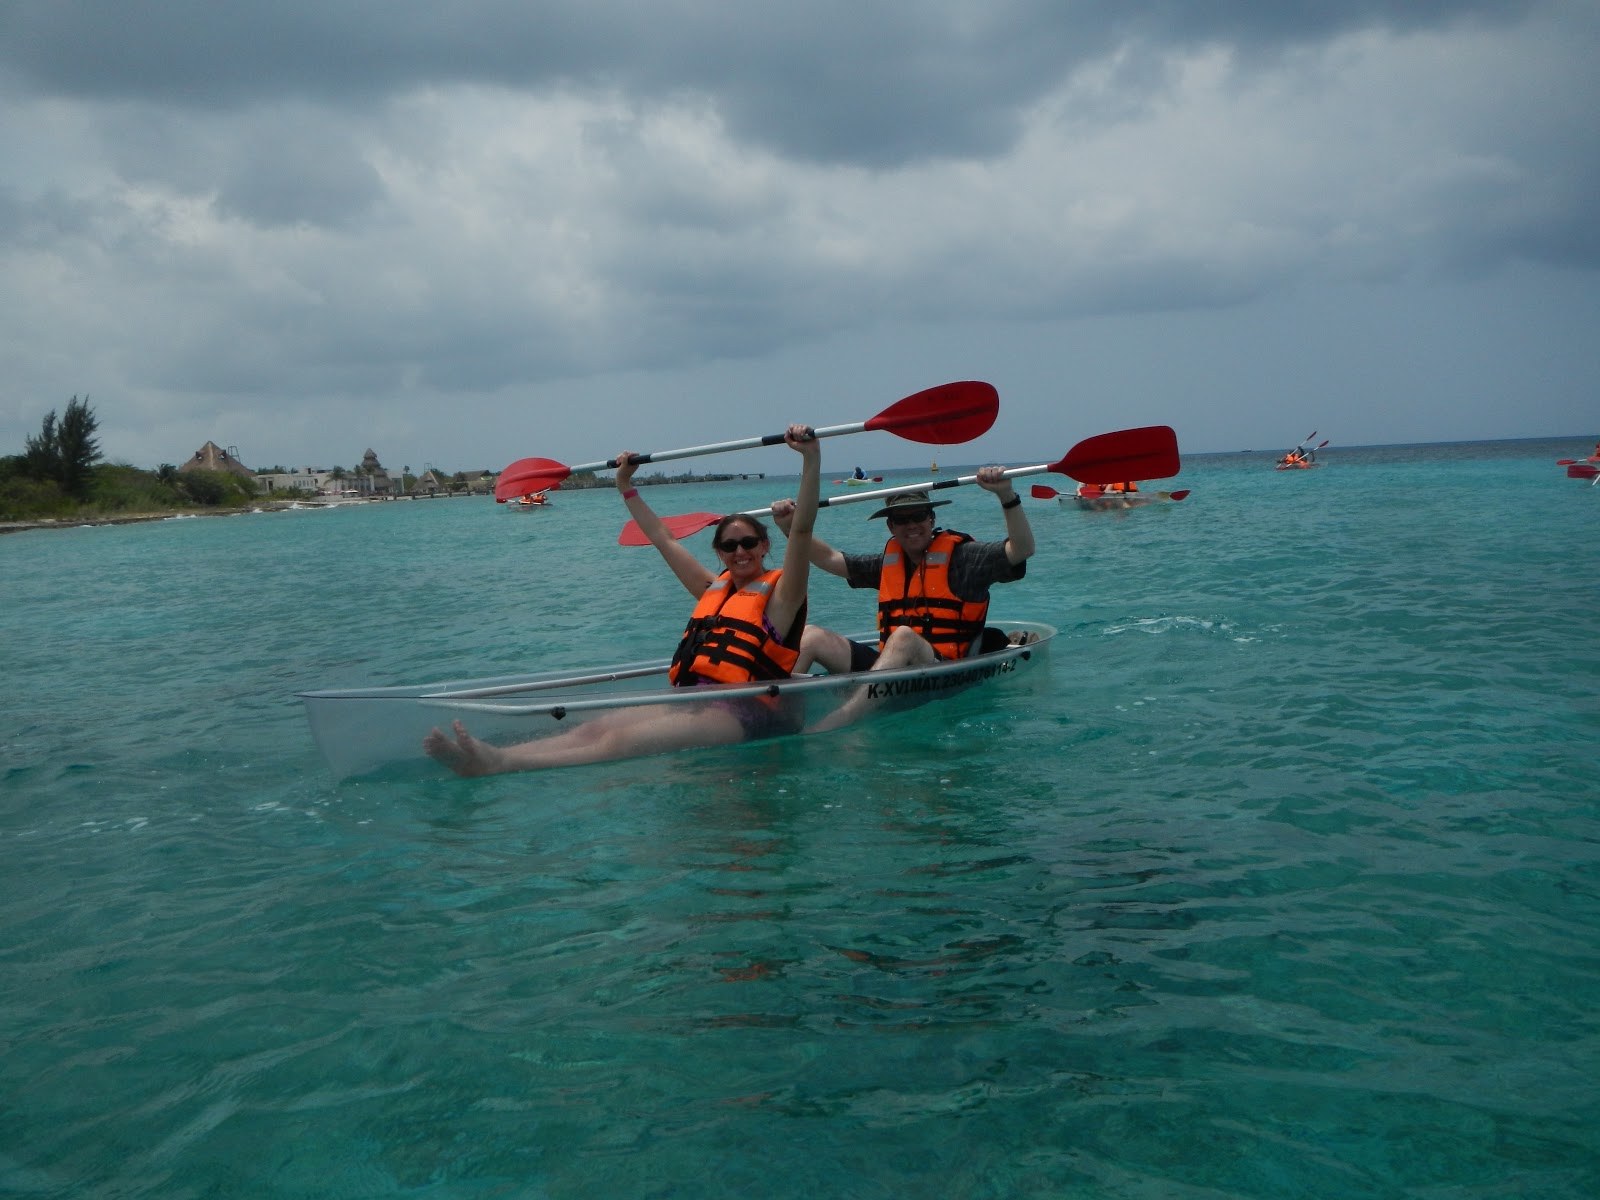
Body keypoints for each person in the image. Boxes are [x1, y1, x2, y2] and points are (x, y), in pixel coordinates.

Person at [423, 424, 822, 776]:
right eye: (729, 545)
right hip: (693, 700)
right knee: (592, 729)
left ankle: (501, 765)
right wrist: (624, 485)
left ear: (766, 544)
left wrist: (810, 457)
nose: (740, 552)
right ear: (718, 552)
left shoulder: (781, 598)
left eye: (749, 543)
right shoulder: (710, 588)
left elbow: (802, 532)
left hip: (743, 711)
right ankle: (490, 754)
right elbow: (662, 537)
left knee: (619, 743)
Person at [771, 467, 1035, 679]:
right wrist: (791, 528)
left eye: (918, 516)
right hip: (891, 673)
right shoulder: (888, 563)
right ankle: (773, 705)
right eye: (901, 519)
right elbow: (830, 559)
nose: (911, 526)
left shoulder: (964, 558)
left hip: (944, 671)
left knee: (904, 637)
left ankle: (858, 725)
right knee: (811, 635)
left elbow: (1021, 550)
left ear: (931, 519)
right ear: (890, 526)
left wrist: (1006, 496)